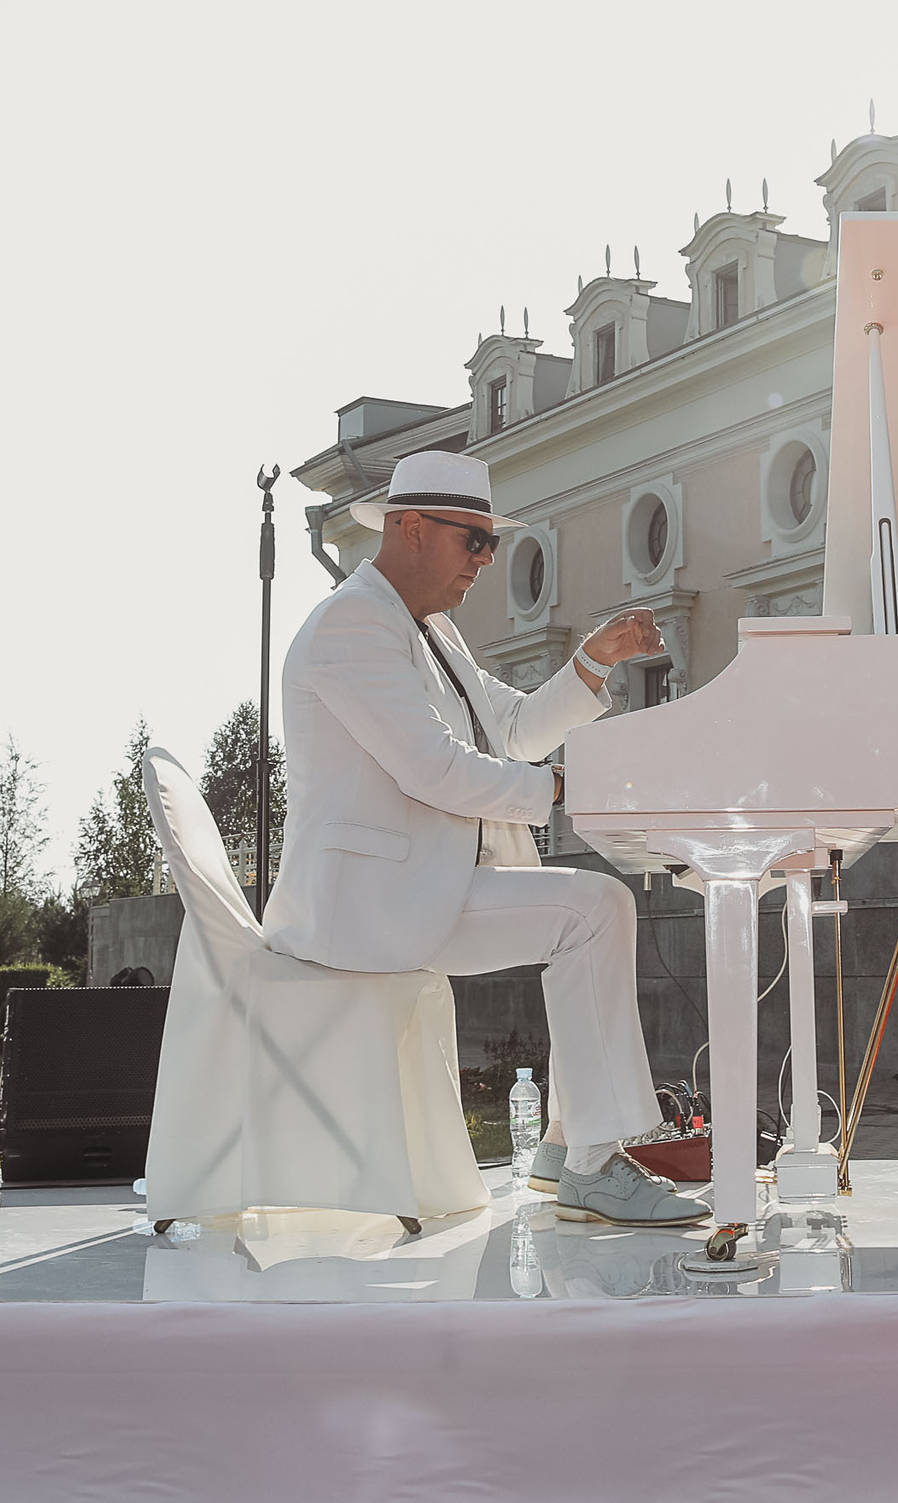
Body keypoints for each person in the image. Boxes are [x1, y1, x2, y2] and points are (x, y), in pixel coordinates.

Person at [261, 449, 707, 1228]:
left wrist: (590, 663)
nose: (486, 560)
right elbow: (433, 768)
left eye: (492, 544)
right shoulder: (353, 626)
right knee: (596, 908)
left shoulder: (428, 627)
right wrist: (565, 790)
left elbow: (511, 729)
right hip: (367, 904)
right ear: (409, 528)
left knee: (594, 910)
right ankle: (593, 1161)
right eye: (474, 539)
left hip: (418, 887)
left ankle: (570, 1146)